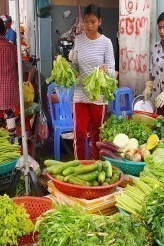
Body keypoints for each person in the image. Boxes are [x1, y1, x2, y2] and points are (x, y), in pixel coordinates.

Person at [71, 4, 115, 160]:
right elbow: (75, 65)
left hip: (98, 96)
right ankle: (79, 165)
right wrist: (72, 71)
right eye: (87, 21)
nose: (89, 25)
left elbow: (112, 71)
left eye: (93, 22)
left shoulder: (106, 43)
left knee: (98, 133)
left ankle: (98, 165)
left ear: (100, 22)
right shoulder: (79, 40)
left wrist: (106, 69)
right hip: (80, 93)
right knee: (80, 132)